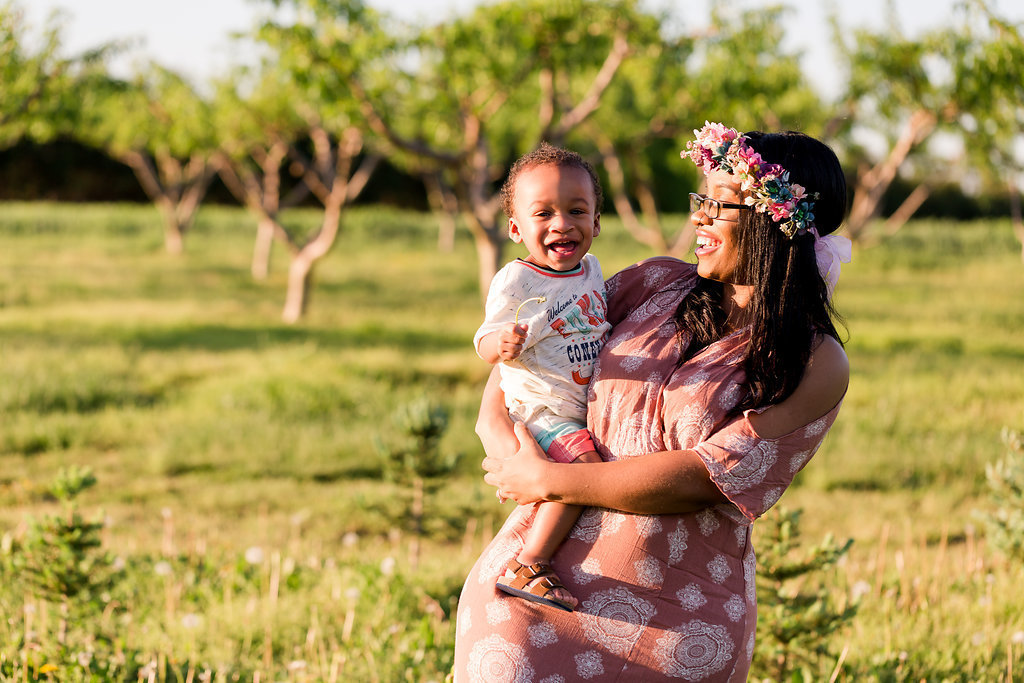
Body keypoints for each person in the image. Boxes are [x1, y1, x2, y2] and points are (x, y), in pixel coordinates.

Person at [454, 122, 853, 682]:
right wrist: (510, 455)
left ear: (774, 218)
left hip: (679, 625)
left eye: (720, 205)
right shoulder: (653, 284)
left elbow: (705, 477)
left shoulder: (814, 360)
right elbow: (526, 365)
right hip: (533, 598)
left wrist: (549, 482)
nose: (699, 218)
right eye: (701, 201)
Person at [473, 143, 611, 612]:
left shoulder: (591, 270)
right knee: (583, 474)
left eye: (577, 210)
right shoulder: (517, 281)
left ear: (596, 222)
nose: (561, 224)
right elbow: (484, 339)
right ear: (516, 228)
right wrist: (501, 346)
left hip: (576, 404)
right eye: (543, 213)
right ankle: (529, 563)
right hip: (541, 410)